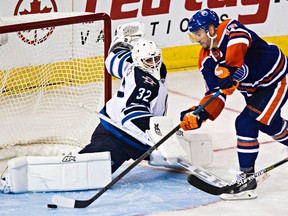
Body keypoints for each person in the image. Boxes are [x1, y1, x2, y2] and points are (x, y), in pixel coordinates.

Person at [180, 8, 288, 200]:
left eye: (198, 34)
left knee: (246, 122)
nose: (197, 39)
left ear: (211, 29)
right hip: (253, 89)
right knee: (269, 124)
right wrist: (199, 114)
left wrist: (229, 68)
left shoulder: (231, 29)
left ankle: (247, 180)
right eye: (194, 35)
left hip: (275, 79)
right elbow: (215, 94)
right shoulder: (206, 60)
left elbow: (240, 41)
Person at [79, 22, 169, 173]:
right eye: (149, 60)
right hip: (118, 135)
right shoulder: (144, 84)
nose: (154, 63)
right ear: (139, 60)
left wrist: (121, 41)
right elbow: (132, 116)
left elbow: (113, 59)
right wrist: (157, 138)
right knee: (89, 171)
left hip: (118, 126)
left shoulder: (131, 62)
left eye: (156, 58)